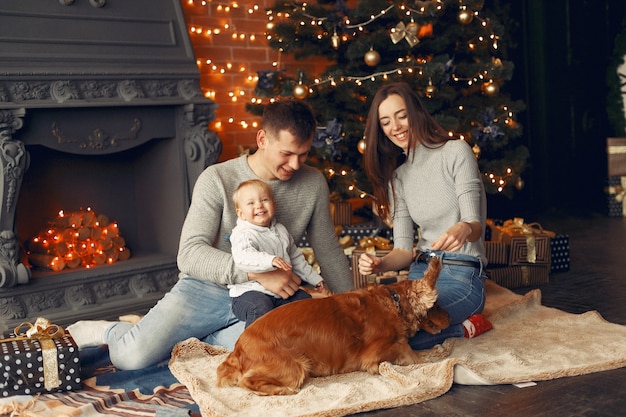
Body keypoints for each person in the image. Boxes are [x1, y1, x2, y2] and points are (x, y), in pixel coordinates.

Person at [67, 98, 353, 370]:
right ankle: (114, 330)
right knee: (132, 356)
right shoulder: (216, 178)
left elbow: (327, 249)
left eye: (303, 155)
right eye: (287, 154)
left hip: (269, 297)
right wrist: (256, 274)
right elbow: (190, 254)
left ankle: (196, 340)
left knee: (285, 351)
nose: (295, 165)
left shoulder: (313, 183)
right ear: (263, 140)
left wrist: (354, 308)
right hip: (207, 288)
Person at [357, 82, 492, 351]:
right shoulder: (399, 177)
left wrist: (464, 228)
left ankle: (465, 328)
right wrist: (380, 265)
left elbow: (475, 226)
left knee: (405, 333)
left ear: (416, 112)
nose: (395, 127)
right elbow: (404, 250)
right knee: (370, 322)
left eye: (401, 115)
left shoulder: (456, 152)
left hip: (461, 275)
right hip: (419, 275)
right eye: (385, 122)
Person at [229, 179, 329, 327]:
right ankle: (253, 347)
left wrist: (315, 279)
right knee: (260, 307)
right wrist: (269, 260)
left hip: (278, 293)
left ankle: (299, 340)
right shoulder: (242, 233)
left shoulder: (281, 230)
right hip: (249, 292)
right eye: (251, 203)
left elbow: (296, 258)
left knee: (304, 301)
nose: (259, 205)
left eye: (264, 200)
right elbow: (242, 257)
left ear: (274, 205)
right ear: (241, 213)